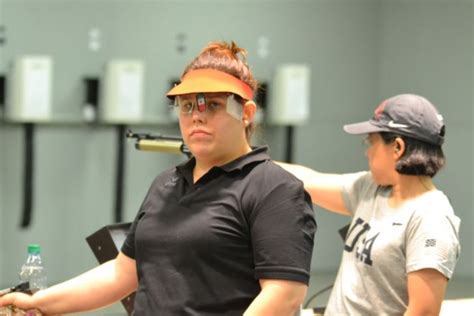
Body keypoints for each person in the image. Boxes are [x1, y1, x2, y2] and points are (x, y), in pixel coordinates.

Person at [0, 41, 317, 316]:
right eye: (187, 105)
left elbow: (283, 297)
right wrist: (39, 301)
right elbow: (121, 274)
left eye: (214, 105)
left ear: (246, 113)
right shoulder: (166, 184)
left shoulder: (274, 189)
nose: (197, 115)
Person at [279, 93, 461, 315]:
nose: (367, 151)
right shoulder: (371, 188)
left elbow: (423, 312)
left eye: (371, 141)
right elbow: (310, 181)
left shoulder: (431, 218)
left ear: (397, 147)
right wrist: (249, 158)